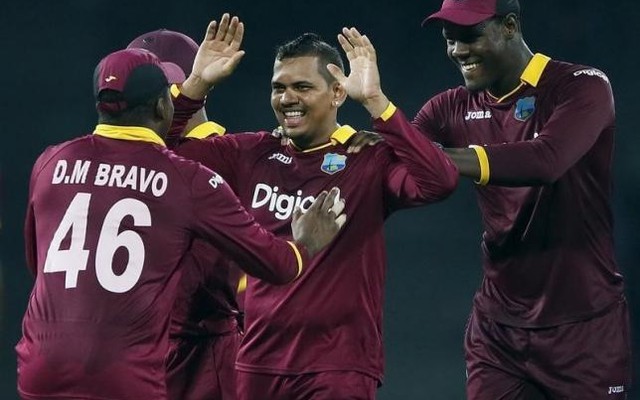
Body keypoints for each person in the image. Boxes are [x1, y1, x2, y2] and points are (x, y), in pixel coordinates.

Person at [16, 15, 347, 400]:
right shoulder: (180, 171)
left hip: (197, 350)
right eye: (168, 88)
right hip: (136, 355)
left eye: (179, 82)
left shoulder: (232, 154)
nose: (173, 92)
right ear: (162, 102)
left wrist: (351, 139)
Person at [332, 0, 631, 398]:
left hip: (583, 328)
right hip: (498, 331)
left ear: (509, 26)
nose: (458, 50)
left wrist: (421, 151)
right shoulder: (450, 106)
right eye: (449, 39)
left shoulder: (581, 85)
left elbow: (546, 160)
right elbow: (399, 172)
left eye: (470, 36)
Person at [171, 32, 458, 399]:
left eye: (303, 87)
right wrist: (196, 86)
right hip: (256, 363)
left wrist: (378, 105)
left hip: (337, 367)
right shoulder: (252, 153)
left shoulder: (367, 161)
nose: (287, 98)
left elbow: (441, 181)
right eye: (279, 88)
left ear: (337, 93)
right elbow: (161, 159)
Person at [126, 28, 246, 400]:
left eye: (167, 88)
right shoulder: (129, 158)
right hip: (139, 353)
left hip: (203, 355)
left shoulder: (230, 155)